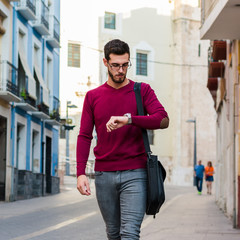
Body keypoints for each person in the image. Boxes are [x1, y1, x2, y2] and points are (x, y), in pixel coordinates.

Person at [76, 39, 169, 240]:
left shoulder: (141, 90)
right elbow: (84, 135)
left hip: (136, 173)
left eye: (125, 65)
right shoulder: (93, 96)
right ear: (105, 63)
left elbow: (162, 119)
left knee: (130, 233)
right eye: (115, 65)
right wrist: (80, 173)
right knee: (113, 233)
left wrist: (129, 120)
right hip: (103, 175)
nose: (121, 70)